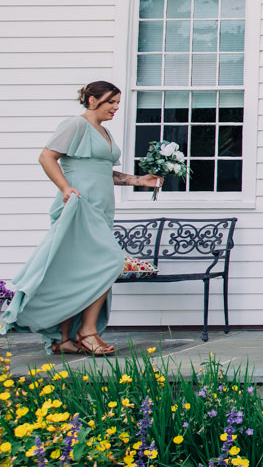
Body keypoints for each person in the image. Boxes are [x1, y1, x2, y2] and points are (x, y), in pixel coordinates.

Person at [1, 82, 161, 356]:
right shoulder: (75, 125)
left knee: (75, 270)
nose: (115, 107)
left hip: (100, 210)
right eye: (111, 101)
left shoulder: (104, 131)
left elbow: (102, 171)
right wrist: (65, 188)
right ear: (91, 100)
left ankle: (63, 338)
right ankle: (87, 332)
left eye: (118, 102)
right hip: (79, 207)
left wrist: (138, 180)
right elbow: (47, 157)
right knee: (110, 262)